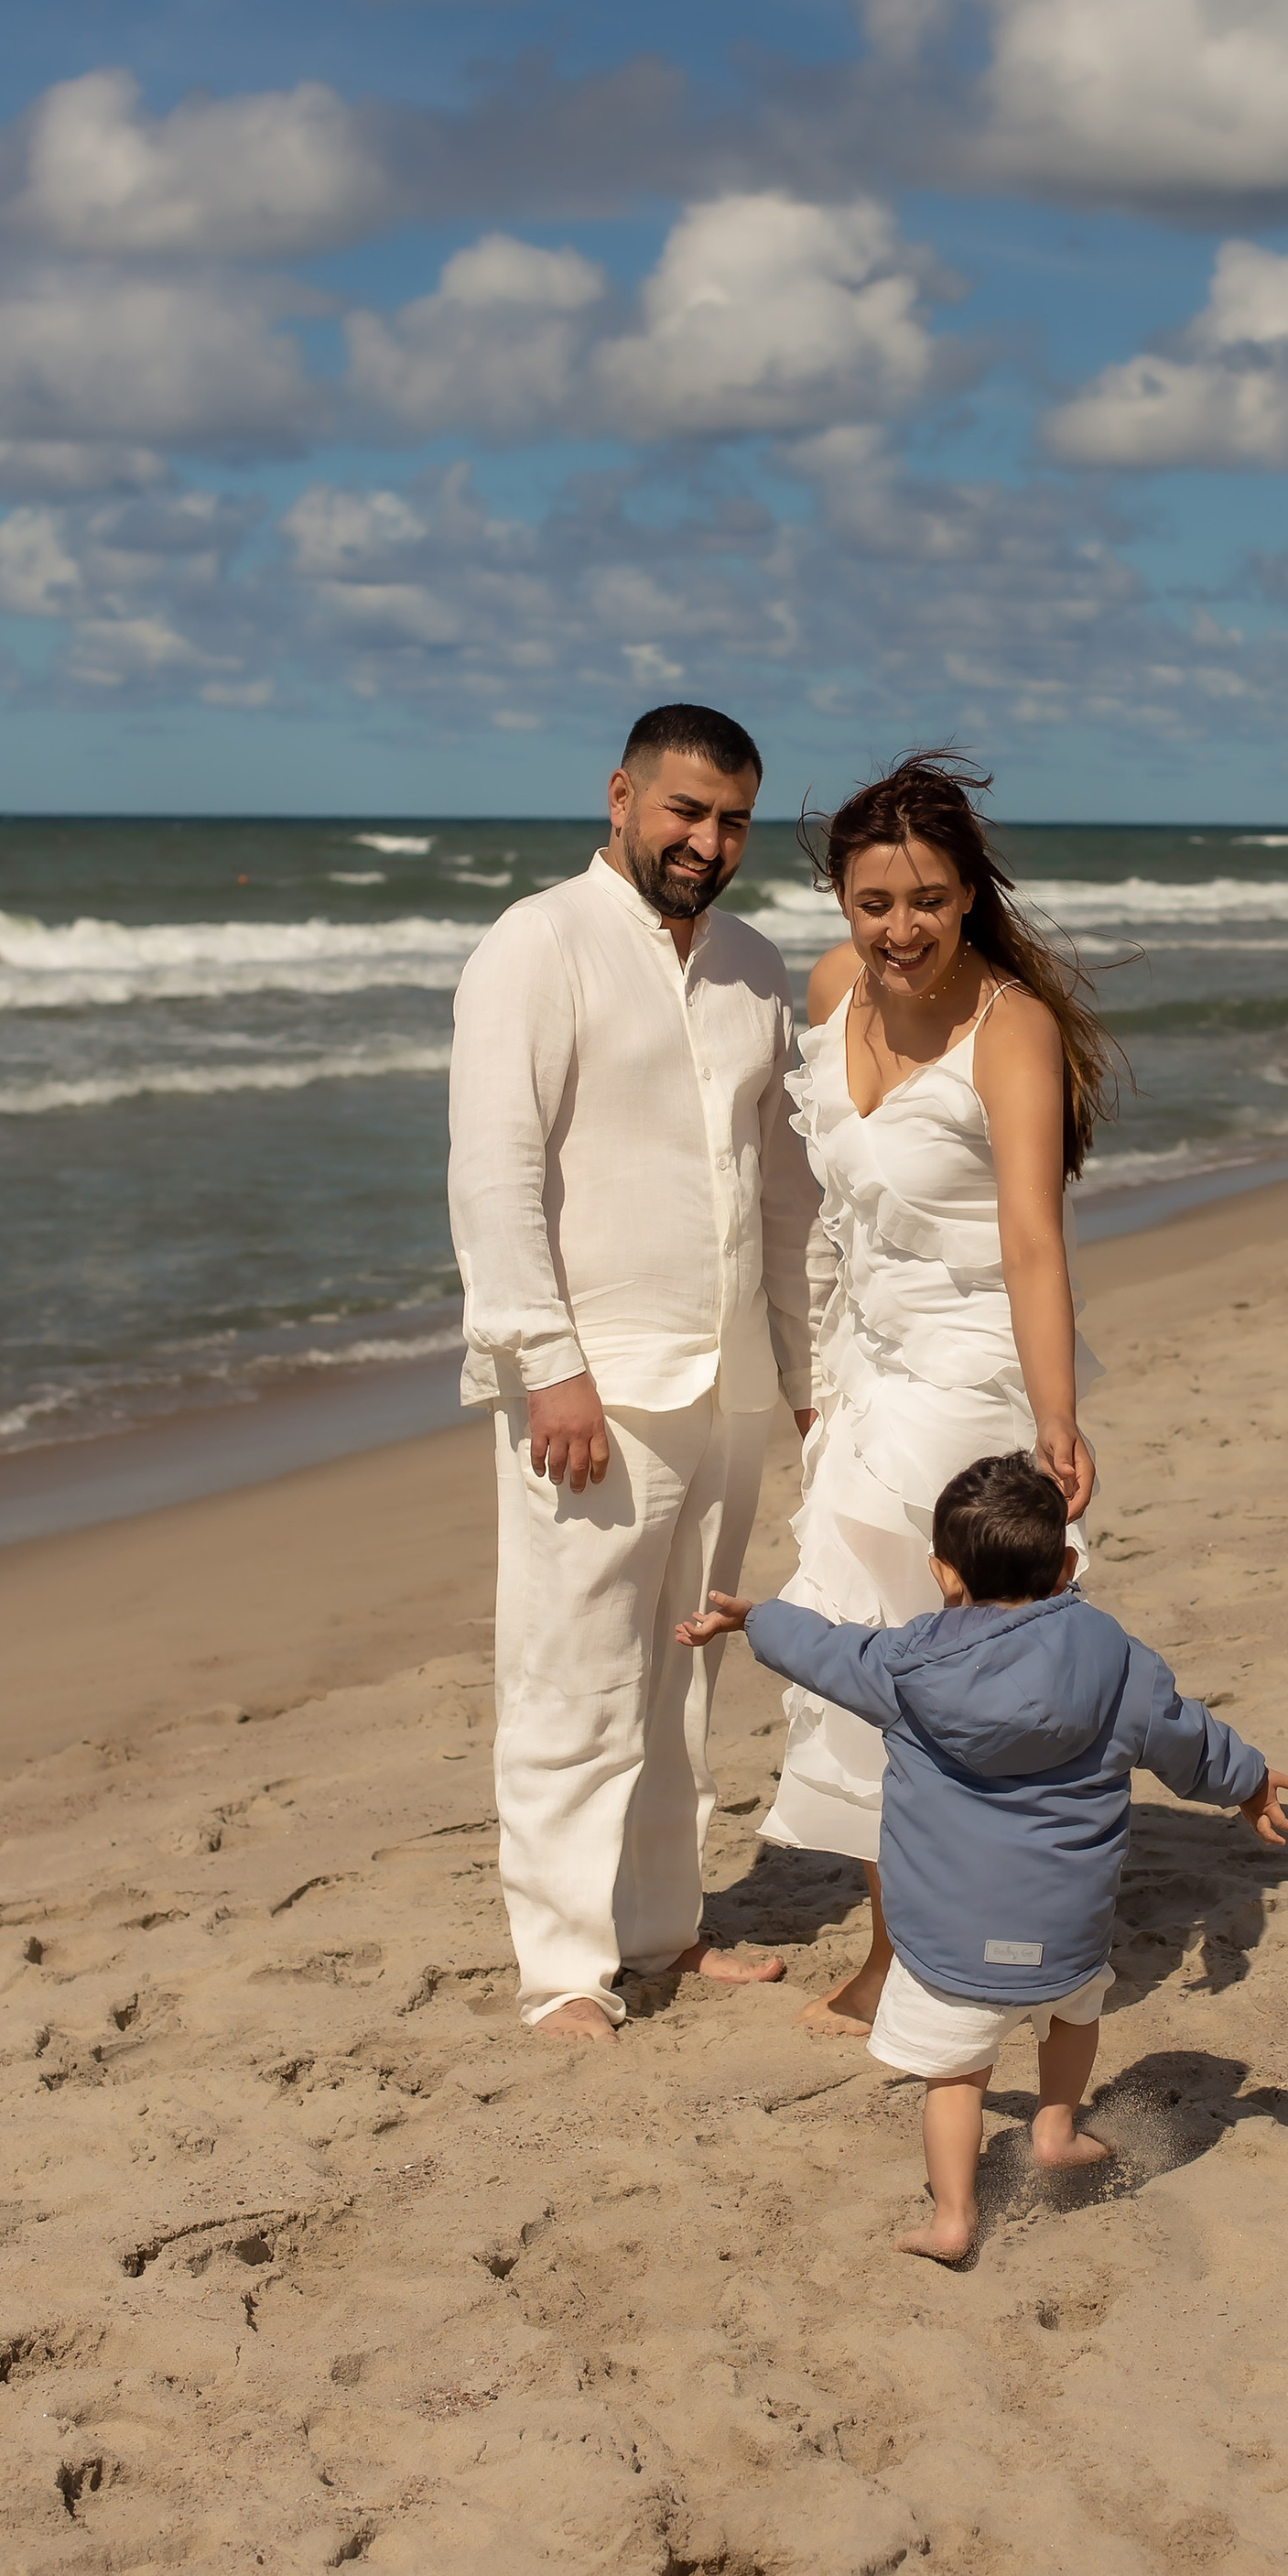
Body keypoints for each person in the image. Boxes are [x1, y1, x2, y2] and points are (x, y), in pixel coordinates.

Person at [681, 1453, 1288, 2263]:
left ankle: (952, 2219)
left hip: (946, 1939)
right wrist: (1250, 1782)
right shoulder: (1114, 1660)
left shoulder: (905, 1669)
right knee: (1074, 2014)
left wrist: (753, 1619)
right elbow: (1187, 1739)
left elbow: (824, 1650)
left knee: (955, 2079)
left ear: (943, 1574)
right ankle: (1054, 2131)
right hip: (1067, 1927)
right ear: (1067, 1565)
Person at [447, 701, 819, 2047]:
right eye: (684, 811)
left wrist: (802, 1366)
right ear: (621, 795)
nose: (706, 841)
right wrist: (545, 1366)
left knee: (684, 1676)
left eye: (729, 821)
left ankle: (664, 1924)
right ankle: (561, 1970)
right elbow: (492, 1173)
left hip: (725, 1382)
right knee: (574, 1678)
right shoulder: (536, 945)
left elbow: (781, 1192)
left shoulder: (756, 968)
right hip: (591, 1390)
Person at [760, 752, 1119, 2038]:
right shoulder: (829, 991)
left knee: (901, 1655)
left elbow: (1032, 1234)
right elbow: (824, 1209)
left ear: (970, 895)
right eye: (873, 902)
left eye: (926, 900)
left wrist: (1055, 1416)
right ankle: (906, 1944)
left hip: (967, 1374)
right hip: (863, 1367)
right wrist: (809, 1374)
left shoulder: (1007, 1028)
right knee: (868, 1665)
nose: (899, 929)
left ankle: (913, 1955)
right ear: (839, 902)